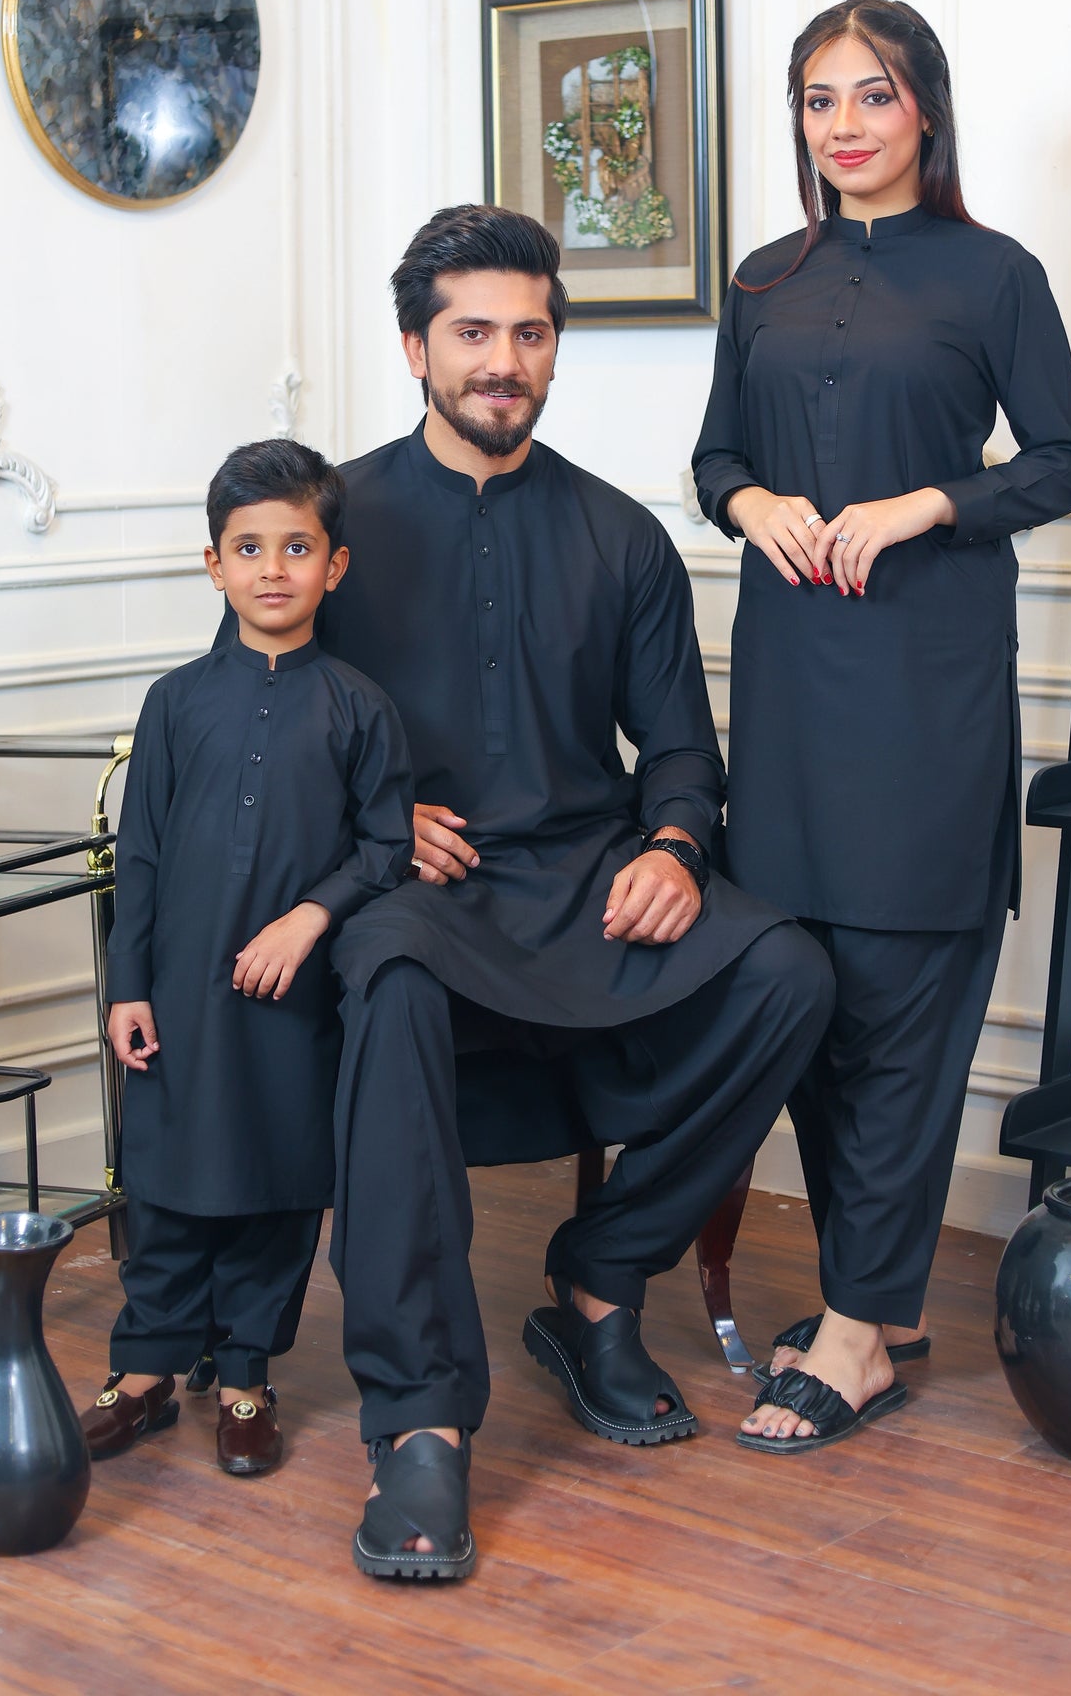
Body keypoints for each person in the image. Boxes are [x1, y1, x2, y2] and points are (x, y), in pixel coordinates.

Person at [311, 204, 836, 1581]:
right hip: (418, 889)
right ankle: (420, 1418)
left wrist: (671, 846)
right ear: (415, 348)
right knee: (391, 972)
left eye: (529, 333)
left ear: (555, 349)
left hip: (586, 879)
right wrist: (376, 822)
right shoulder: (331, 525)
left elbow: (680, 751)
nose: (504, 360)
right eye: (472, 332)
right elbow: (267, 722)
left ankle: (600, 1277)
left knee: (786, 972)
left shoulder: (619, 534)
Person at [692, 0, 1071, 1453]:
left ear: (924, 104)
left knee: (908, 989)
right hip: (789, 684)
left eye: (872, 94)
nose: (844, 124)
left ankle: (858, 1332)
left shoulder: (995, 274)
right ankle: (878, 1296)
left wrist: (928, 502)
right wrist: (753, 501)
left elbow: (1064, 461)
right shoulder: (761, 277)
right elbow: (713, 455)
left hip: (928, 684)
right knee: (803, 984)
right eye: (819, 99)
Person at [79, 439, 413, 1478]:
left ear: (334, 566)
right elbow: (138, 855)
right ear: (214, 564)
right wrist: (128, 986)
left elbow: (387, 847)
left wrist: (309, 917)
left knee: (276, 1179)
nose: (273, 568)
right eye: (249, 547)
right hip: (179, 992)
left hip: (291, 1001)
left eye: (297, 547)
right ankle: (143, 1371)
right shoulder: (174, 702)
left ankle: (244, 1376)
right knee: (168, 1177)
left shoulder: (360, 706)